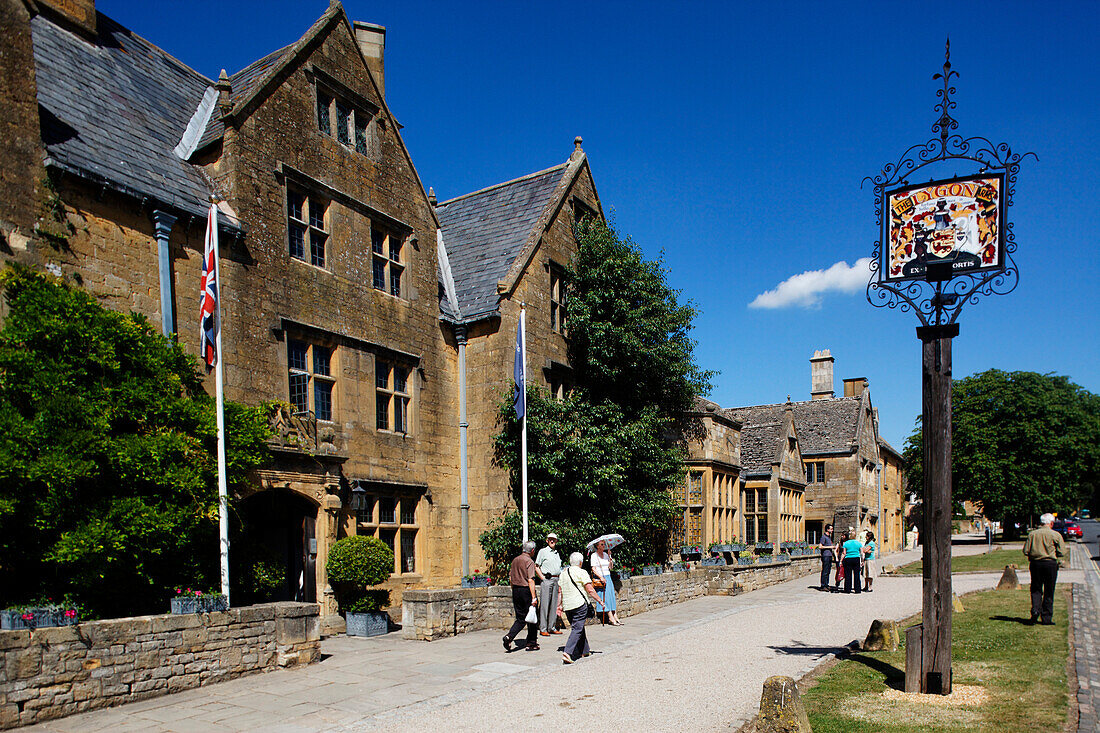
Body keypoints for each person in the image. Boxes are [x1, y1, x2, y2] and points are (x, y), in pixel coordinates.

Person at [559, 551, 604, 664]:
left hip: (568, 605)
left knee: (578, 627)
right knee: (577, 628)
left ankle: (585, 650)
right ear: (580, 562)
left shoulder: (563, 573)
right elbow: (589, 589)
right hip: (579, 604)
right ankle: (568, 652)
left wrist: (559, 606)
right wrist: (600, 600)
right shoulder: (582, 572)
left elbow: (560, 591)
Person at [1023, 513, 1067, 625]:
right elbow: (1062, 552)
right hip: (1050, 564)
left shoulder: (1032, 534)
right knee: (1049, 590)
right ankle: (1046, 617)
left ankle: (1035, 610)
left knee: (1036, 588)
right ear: (1051, 523)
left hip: (1035, 563)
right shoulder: (1055, 535)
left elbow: (1025, 550)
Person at [502, 541, 539, 652]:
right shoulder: (529, 561)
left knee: (520, 618)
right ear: (532, 550)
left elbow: (510, 577)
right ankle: (531, 643)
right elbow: (530, 580)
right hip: (526, 591)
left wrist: (513, 589)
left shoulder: (515, 560)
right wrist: (534, 597)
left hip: (516, 590)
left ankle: (509, 636)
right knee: (532, 617)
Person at [535, 532, 563, 637]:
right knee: (545, 604)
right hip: (547, 579)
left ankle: (552, 627)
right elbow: (536, 566)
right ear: (547, 541)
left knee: (554, 604)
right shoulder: (543, 551)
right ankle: (543, 628)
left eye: (554, 539)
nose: (552, 541)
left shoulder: (557, 553)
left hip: (556, 579)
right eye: (550, 539)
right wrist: (542, 578)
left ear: (556, 541)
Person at [589, 540, 622, 625]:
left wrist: (610, 557)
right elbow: (593, 569)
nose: (604, 546)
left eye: (604, 544)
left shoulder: (606, 555)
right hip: (601, 578)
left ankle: (615, 615)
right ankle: (610, 617)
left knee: (611, 597)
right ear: (597, 546)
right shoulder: (594, 556)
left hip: (608, 577)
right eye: (602, 544)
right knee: (606, 598)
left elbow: (610, 567)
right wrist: (601, 577)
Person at [818, 524, 836, 591]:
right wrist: (830, 547)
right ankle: (823, 586)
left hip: (829, 555)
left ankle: (826, 584)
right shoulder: (823, 537)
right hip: (825, 555)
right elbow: (820, 546)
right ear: (828, 529)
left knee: (828, 571)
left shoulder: (829, 537)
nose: (832, 530)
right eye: (831, 529)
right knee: (825, 571)